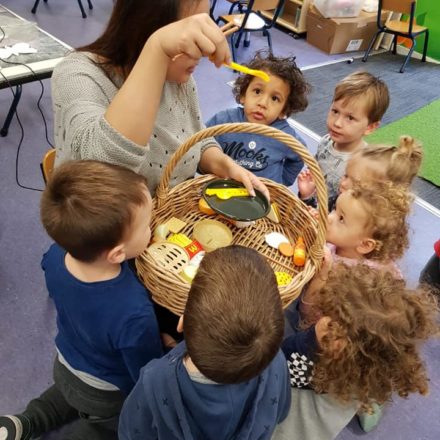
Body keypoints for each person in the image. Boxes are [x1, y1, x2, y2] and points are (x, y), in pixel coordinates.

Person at [0, 161, 163, 440]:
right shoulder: (133, 310)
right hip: (105, 392)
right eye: (147, 226)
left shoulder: (55, 257)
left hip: (65, 363)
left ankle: (23, 423)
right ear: (115, 254)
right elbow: (145, 371)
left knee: (60, 397)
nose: (151, 229)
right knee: (100, 427)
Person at [52, 0, 268, 199]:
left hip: (167, 221)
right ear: (145, 26)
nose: (203, 50)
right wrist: (156, 49)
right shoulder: (77, 73)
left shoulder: (179, 79)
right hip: (106, 236)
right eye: (191, 33)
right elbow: (101, 177)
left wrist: (225, 165)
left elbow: (195, 139)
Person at [118, 245, 291, 440]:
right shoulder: (275, 361)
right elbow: (281, 411)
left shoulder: (155, 380)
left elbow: (131, 432)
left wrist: (172, 353)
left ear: (181, 322)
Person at [277, 263, 439, 439]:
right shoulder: (372, 367)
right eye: (330, 314)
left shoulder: (307, 360)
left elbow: (279, 365)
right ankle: (369, 409)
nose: (323, 322)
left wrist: (309, 341)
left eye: (333, 326)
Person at [205, 50, 310, 186]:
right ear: (243, 95)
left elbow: (300, 155)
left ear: (283, 110)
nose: (262, 103)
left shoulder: (285, 136)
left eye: (274, 98)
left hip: (264, 198)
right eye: (257, 91)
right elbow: (201, 144)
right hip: (223, 192)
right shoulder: (223, 121)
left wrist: (282, 181)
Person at [298, 71, 389, 204]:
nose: (337, 123)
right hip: (311, 209)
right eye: (335, 111)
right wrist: (306, 195)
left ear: (370, 127)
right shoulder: (326, 141)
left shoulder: (364, 165)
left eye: (350, 118)